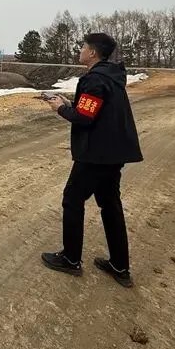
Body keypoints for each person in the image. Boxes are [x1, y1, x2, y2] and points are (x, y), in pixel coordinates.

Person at [41, 33, 143, 288]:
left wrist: (60, 109)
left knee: (72, 199)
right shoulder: (111, 76)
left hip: (97, 154)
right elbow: (93, 109)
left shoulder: (95, 79)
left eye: (83, 47)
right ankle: (120, 266)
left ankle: (70, 259)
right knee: (110, 205)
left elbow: (85, 118)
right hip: (113, 153)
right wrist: (70, 104)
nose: (80, 51)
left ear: (93, 53)